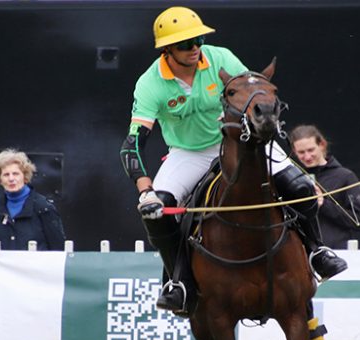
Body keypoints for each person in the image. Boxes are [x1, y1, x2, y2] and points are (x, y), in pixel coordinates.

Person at [119, 6, 347, 313]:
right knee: (155, 212)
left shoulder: (221, 58)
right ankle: (179, 281)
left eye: (198, 39)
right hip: (190, 153)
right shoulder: (150, 83)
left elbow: (252, 95)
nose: (195, 48)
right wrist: (145, 191)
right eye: (186, 43)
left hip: (238, 141)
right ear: (168, 49)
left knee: (300, 186)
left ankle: (317, 251)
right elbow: (132, 144)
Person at [289, 125, 360, 248]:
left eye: (311, 150)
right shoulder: (292, 178)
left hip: (337, 254)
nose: (307, 157)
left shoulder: (345, 176)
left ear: (322, 145)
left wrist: (323, 203)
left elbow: (359, 221)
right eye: (301, 152)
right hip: (301, 254)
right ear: (294, 151)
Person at [0, 149, 66, 251]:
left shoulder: (44, 207)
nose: (11, 179)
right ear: (0, 179)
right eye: (6, 175)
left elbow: (58, 247)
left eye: (15, 174)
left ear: (25, 176)